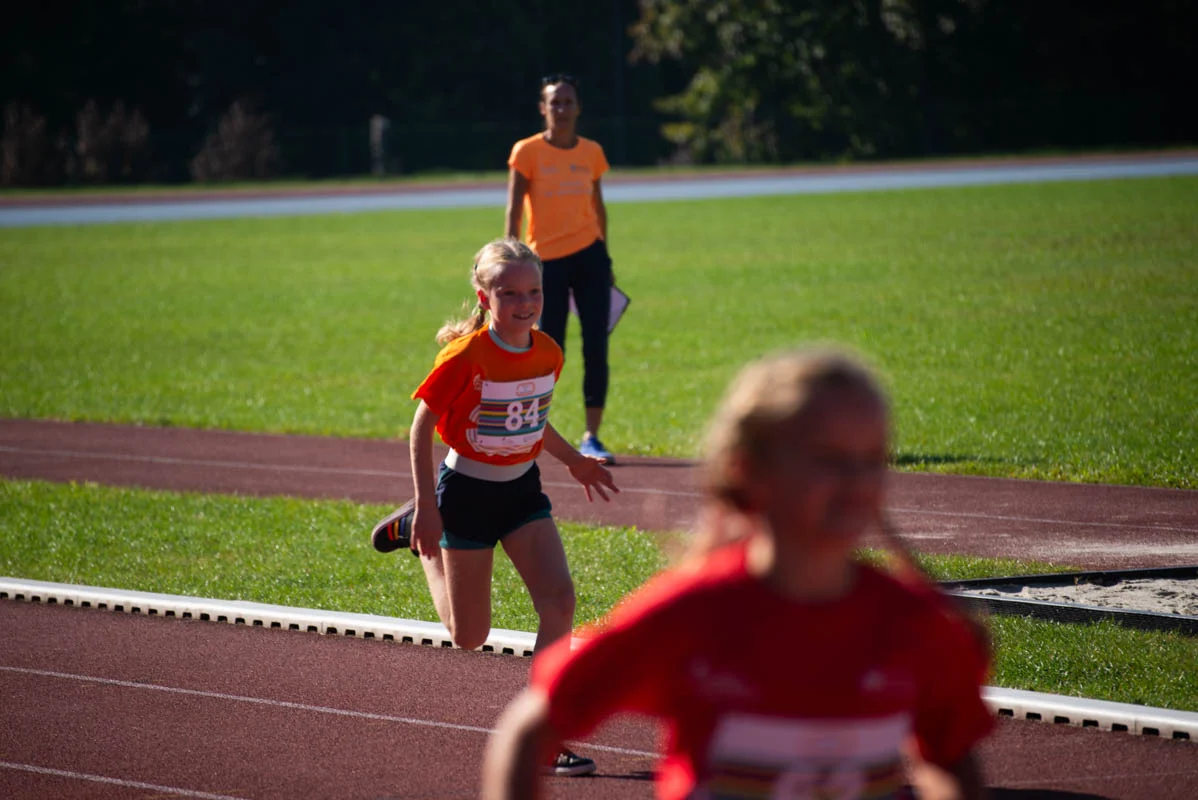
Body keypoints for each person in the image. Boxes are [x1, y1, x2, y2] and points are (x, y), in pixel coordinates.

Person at [481, 347, 994, 799]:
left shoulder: (911, 621)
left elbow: (951, 759)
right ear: (749, 469)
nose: (856, 483)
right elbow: (528, 731)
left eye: (871, 460)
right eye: (829, 459)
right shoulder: (691, 615)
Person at [370, 237, 618, 777]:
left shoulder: (549, 352)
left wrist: (576, 461)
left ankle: (545, 736)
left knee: (560, 600)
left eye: (534, 292)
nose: (524, 303)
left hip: (522, 492)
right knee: (469, 637)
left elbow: (531, 418)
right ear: (485, 298)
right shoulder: (465, 356)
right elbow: (421, 433)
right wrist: (427, 507)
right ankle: (420, 539)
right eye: (509, 293)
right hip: (465, 495)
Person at [505, 73, 616, 464]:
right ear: (543, 108)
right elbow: (515, 208)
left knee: (596, 346)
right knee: (547, 350)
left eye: (568, 102)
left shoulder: (592, 153)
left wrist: (606, 257)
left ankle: (592, 436)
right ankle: (535, 431)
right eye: (555, 102)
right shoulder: (527, 152)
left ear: (578, 107)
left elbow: (599, 206)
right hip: (544, 263)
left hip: (590, 258)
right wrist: (511, 258)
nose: (562, 109)